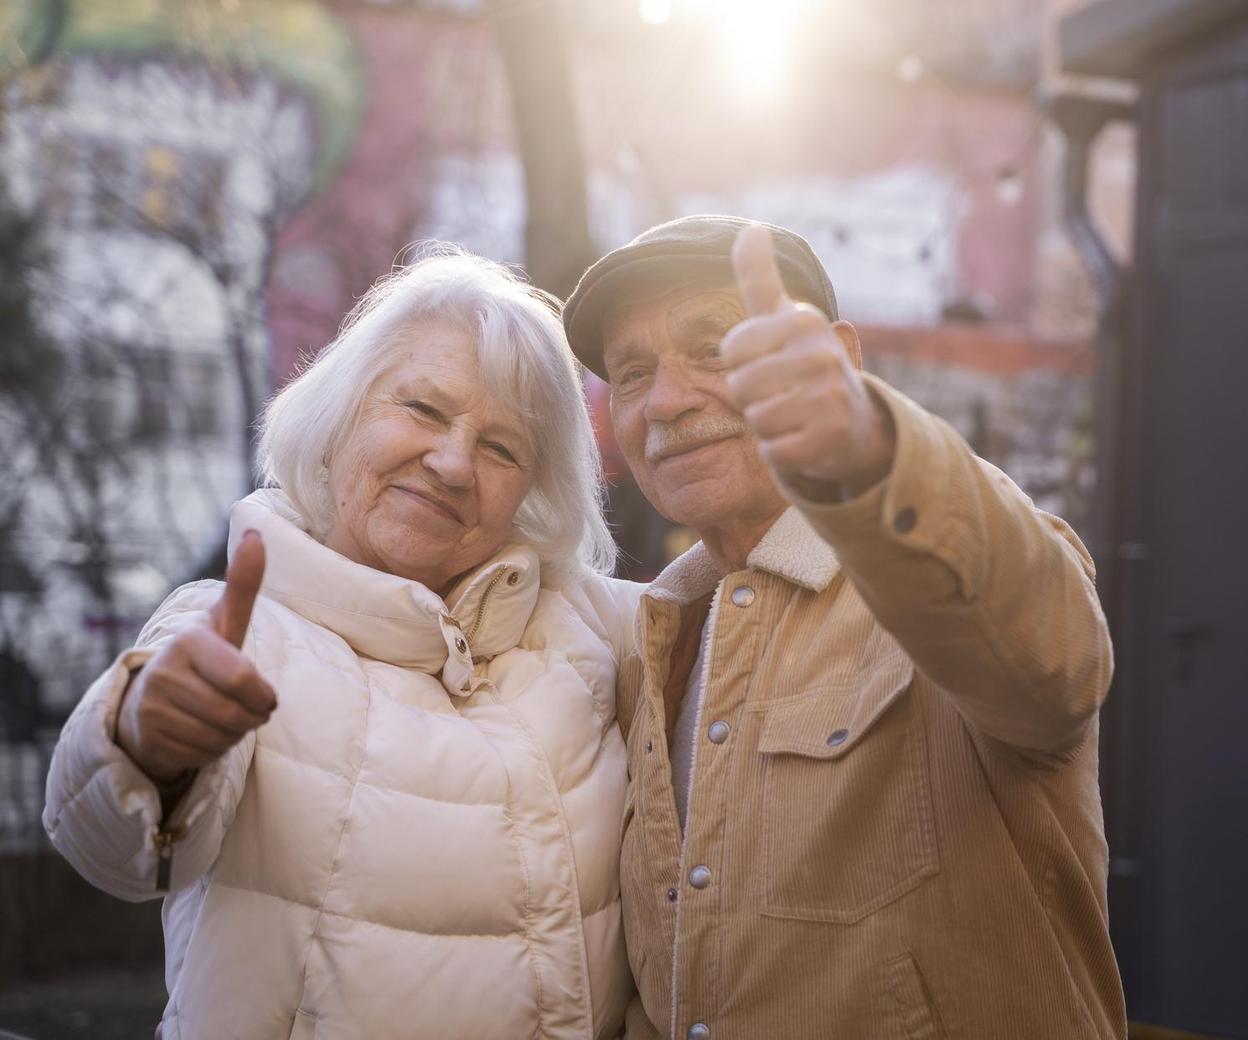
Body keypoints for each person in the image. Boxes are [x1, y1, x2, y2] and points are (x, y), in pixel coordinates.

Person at [43, 251, 643, 1040]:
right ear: (340, 414)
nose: (455, 463)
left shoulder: (590, 628)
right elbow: (109, 847)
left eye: (502, 449)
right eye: (425, 410)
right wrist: (147, 742)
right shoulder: (235, 626)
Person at [562, 215, 1126, 1039]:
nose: (668, 400)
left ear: (844, 363)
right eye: (633, 372)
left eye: (715, 350)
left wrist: (869, 452)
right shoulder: (649, 643)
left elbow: (1052, 660)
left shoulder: (936, 579)